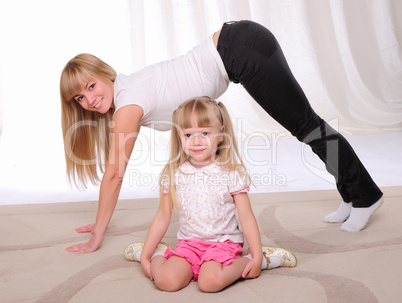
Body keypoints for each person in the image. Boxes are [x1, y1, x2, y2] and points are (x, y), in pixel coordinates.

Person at [60, 20, 384, 253]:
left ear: (105, 74)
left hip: (241, 48)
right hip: (239, 42)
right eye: (79, 97)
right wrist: (99, 220)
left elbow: (115, 174)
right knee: (306, 124)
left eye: (91, 86)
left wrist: (98, 233)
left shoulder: (127, 102)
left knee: (306, 125)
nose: (89, 99)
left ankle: (366, 196)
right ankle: (351, 194)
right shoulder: (128, 92)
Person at [123, 97, 297, 292]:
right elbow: (163, 216)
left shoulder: (231, 173)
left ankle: (262, 259)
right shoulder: (173, 174)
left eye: (205, 133)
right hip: (189, 245)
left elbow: (246, 217)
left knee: (210, 282)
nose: (196, 141)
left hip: (223, 244)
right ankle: (157, 253)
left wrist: (255, 255)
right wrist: (146, 255)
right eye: (188, 135)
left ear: (221, 134)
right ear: (179, 137)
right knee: (166, 281)